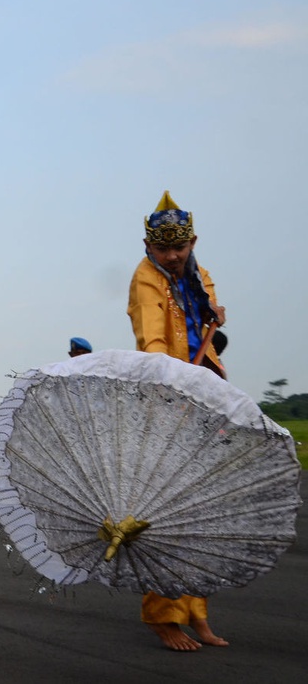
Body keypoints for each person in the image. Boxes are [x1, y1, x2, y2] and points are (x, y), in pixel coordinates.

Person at [127, 190, 228, 652]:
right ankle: (165, 616)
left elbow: (210, 326)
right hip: (167, 397)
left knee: (203, 509)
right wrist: (171, 382)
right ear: (147, 247)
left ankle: (198, 612)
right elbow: (152, 337)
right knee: (165, 511)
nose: (171, 256)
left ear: (193, 242)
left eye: (179, 247)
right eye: (162, 248)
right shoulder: (146, 278)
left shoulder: (199, 273)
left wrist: (214, 317)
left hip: (206, 392)